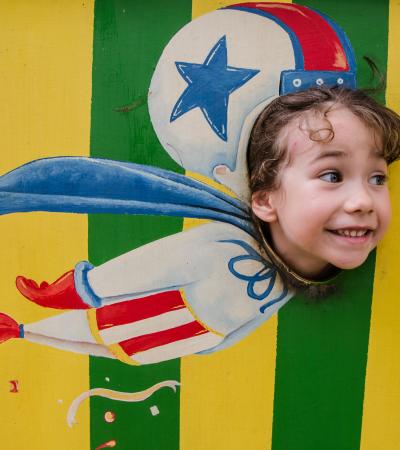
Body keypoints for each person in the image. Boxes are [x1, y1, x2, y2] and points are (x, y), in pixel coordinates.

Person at [0, 87, 399, 365]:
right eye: (332, 175)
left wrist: (215, 346)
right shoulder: (222, 244)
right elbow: (149, 266)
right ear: (264, 199)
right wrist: (81, 289)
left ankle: (21, 331)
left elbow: (259, 320)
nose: (363, 200)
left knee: (110, 347)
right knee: (94, 335)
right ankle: (20, 330)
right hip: (145, 316)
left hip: (190, 335)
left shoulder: (283, 287)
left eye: (377, 178)